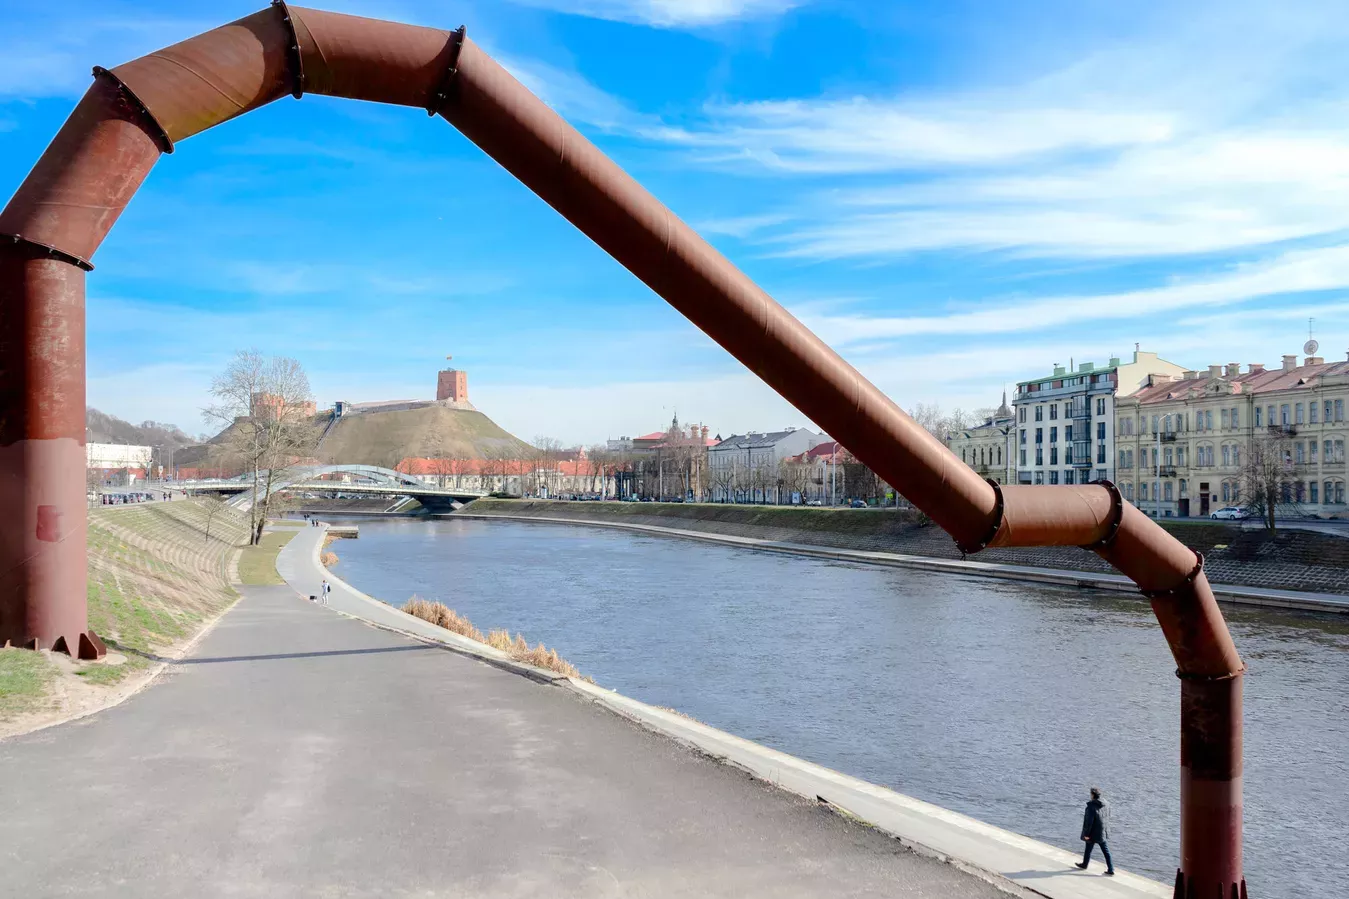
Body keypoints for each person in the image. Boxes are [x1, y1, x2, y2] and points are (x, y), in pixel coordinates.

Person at [1076, 787, 1115, 875]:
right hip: (1102, 831)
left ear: (1093, 795)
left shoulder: (1091, 807)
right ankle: (1111, 869)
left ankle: (1084, 864)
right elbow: (1107, 816)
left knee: (1088, 848)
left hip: (1093, 833)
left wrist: (1086, 834)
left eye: (1090, 794)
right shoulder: (1106, 803)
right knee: (1105, 851)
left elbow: (1088, 822)